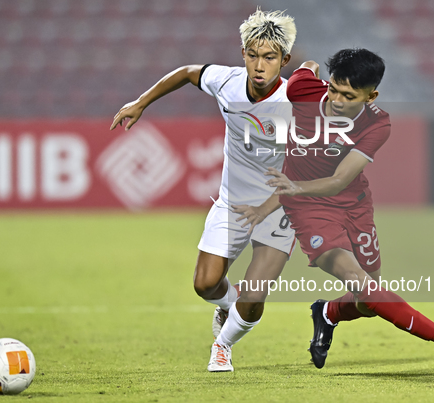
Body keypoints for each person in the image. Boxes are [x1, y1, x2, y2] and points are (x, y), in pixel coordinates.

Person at [246, 48, 434, 374]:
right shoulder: (302, 89)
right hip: (308, 209)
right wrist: (309, 66)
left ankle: (327, 313)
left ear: (371, 96)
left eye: (349, 96)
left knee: (368, 302)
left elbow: (340, 179)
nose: (337, 100)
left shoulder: (377, 124)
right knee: (362, 283)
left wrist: (293, 185)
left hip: (352, 204)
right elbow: (306, 69)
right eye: (333, 89)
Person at [110, 9, 297, 372]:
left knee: (256, 292)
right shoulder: (226, 81)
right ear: (242, 53)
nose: (260, 65)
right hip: (232, 203)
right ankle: (229, 306)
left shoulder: (296, 102)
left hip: (278, 210)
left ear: (284, 60)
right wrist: (141, 103)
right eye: (253, 55)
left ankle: (222, 345)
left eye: (270, 57)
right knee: (205, 283)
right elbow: (185, 73)